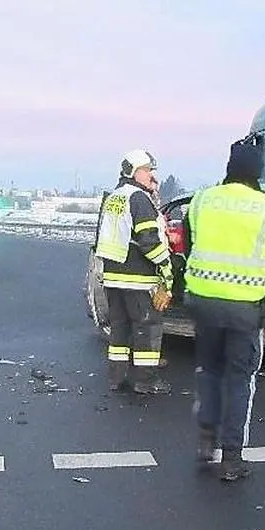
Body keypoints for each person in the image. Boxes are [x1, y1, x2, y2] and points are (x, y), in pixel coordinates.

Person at [182, 141, 265, 481]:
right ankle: (231, 458)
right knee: (239, 380)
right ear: (257, 171)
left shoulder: (202, 200)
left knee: (209, 372)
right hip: (245, 309)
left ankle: (206, 442)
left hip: (203, 302)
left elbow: (189, 247)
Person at [94, 149, 174, 395]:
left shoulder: (114, 197)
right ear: (136, 172)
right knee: (146, 329)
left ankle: (116, 378)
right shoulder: (138, 198)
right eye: (149, 171)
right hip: (138, 278)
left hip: (113, 277)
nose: (152, 176)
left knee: (119, 329)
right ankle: (145, 381)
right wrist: (165, 266)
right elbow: (148, 239)